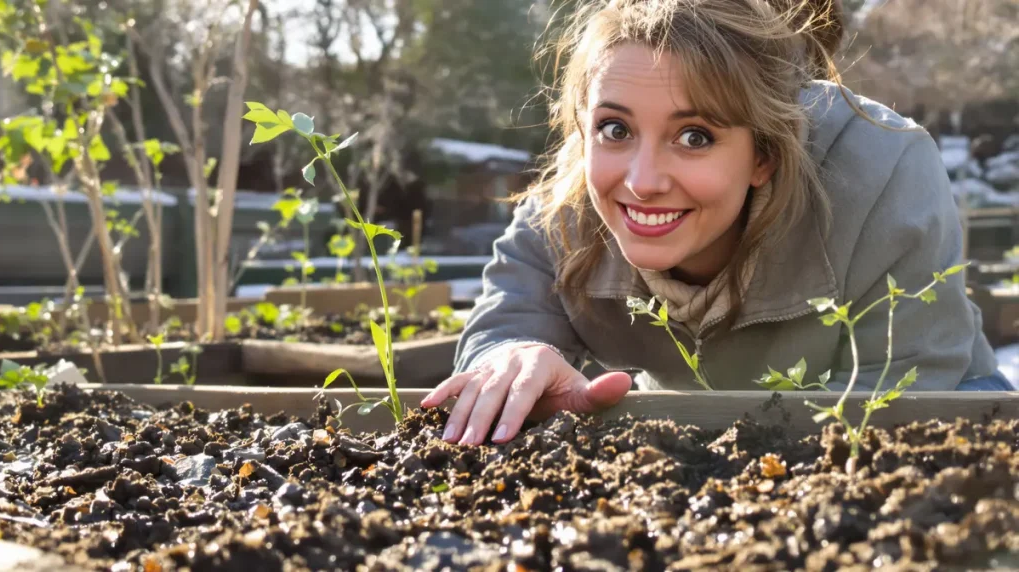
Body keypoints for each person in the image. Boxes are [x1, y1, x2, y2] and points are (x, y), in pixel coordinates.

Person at [421, 0, 1007, 446]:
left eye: (694, 136)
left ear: (763, 156)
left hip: (938, 424)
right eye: (615, 128)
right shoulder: (572, 197)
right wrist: (511, 355)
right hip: (695, 441)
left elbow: (908, 401)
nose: (642, 180)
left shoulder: (882, 169)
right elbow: (508, 318)